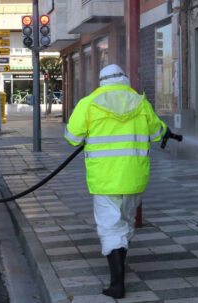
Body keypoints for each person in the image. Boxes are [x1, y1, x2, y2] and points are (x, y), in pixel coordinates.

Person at [64, 64, 167, 299]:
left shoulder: (88, 103)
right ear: (125, 80)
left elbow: (72, 138)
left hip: (105, 179)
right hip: (134, 177)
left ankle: (117, 285)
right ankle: (120, 269)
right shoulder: (140, 102)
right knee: (125, 223)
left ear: (101, 82)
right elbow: (157, 133)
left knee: (110, 226)